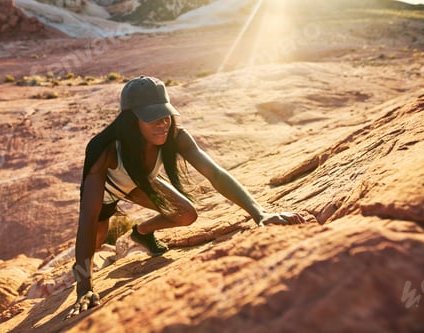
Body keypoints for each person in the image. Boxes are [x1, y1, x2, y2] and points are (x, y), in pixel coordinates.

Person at [65, 75, 305, 319]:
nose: (163, 123)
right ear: (131, 120)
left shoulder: (177, 137)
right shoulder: (104, 149)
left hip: (141, 183)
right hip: (107, 194)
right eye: (152, 117)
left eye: (165, 114)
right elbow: (88, 217)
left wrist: (260, 213)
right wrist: (84, 288)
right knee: (95, 243)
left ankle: (142, 233)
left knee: (187, 215)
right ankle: (78, 273)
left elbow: (216, 174)